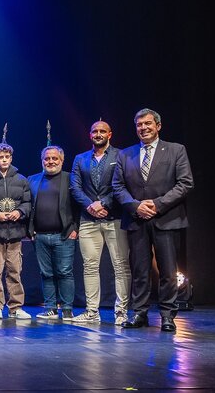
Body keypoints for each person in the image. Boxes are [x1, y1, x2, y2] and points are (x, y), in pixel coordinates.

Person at [113, 108, 194, 332]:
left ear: (158, 126)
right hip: (136, 219)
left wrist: (157, 205)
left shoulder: (176, 150)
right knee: (139, 270)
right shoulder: (125, 154)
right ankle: (140, 313)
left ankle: (167, 315)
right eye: (139, 125)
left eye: (148, 123)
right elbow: (117, 186)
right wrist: (136, 206)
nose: (143, 128)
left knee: (167, 271)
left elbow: (185, 183)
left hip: (166, 218)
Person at [69, 120, 130, 325]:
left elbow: (123, 185)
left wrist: (103, 203)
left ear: (110, 134)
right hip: (88, 219)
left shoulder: (120, 155)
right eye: (94, 131)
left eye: (102, 131)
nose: (98, 134)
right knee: (89, 266)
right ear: (90, 135)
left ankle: (121, 312)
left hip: (115, 218)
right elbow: (75, 187)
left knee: (120, 266)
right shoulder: (80, 158)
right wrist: (90, 206)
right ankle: (92, 312)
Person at [28, 146, 80, 321]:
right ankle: (50, 308)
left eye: (54, 158)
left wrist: (75, 228)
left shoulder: (70, 178)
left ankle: (67, 309)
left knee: (64, 272)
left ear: (62, 160)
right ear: (42, 160)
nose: (50, 162)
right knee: (46, 274)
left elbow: (78, 206)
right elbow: (28, 206)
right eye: (47, 158)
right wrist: (30, 230)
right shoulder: (32, 180)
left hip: (64, 234)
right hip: (40, 236)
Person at [0, 143, 32, 320]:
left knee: (14, 271)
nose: (4, 160)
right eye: (1, 157)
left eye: (7, 157)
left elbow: (27, 202)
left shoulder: (21, 179)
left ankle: (16, 307)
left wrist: (20, 212)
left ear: (11, 158)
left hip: (15, 233)